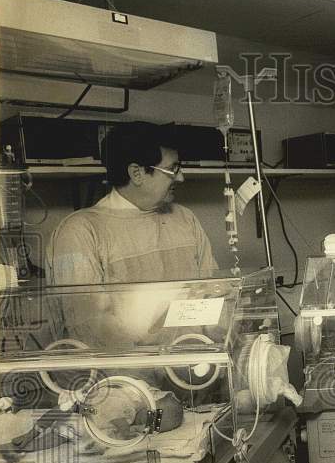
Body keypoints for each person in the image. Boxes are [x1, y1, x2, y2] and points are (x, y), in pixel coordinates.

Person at [46, 121, 218, 346]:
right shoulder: (80, 232)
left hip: (195, 367)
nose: (180, 178)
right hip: (125, 378)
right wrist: (155, 369)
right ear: (136, 173)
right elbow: (91, 332)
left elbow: (211, 295)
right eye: (173, 169)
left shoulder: (185, 219)